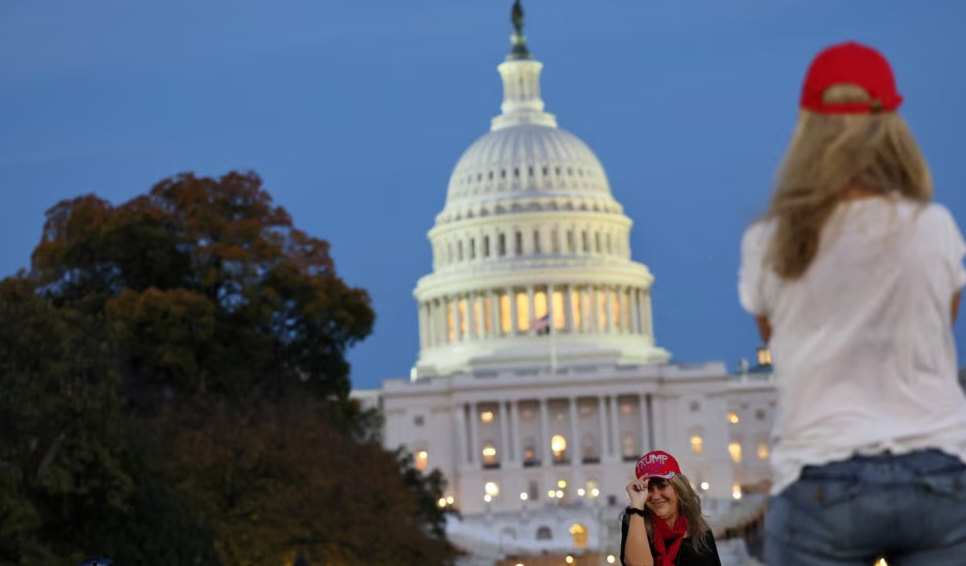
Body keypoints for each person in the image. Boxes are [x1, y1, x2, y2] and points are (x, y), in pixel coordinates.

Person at [738, 41, 966, 565]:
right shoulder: (936, 229)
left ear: (806, 130)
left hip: (821, 476)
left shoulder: (770, 242)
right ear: (892, 126)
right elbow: (939, 330)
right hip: (937, 472)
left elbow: (779, 344)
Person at [620, 450, 721, 566]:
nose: (656, 496)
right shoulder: (635, 519)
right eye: (648, 489)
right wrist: (637, 505)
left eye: (662, 486)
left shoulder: (698, 528)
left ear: (679, 488)